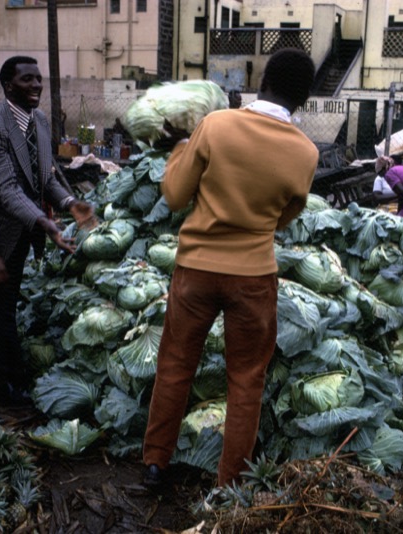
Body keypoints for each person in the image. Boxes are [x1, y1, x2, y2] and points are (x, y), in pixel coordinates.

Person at [142, 48, 319, 488]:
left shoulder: (215, 126)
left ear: (262, 80)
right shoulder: (305, 152)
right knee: (245, 381)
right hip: (254, 277)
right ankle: (229, 486)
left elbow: (175, 195)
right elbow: (286, 216)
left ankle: (155, 463)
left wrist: (178, 151)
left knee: (176, 364)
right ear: (305, 99)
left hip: (196, 270)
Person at [0, 56, 93, 402]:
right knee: (0, 307)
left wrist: (71, 204)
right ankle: (3, 384)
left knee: (4, 303)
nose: (37, 85)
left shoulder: (39, 120)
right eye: (27, 80)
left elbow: (46, 177)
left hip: (28, 229)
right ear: (8, 85)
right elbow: (5, 189)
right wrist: (45, 221)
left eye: (39, 79)